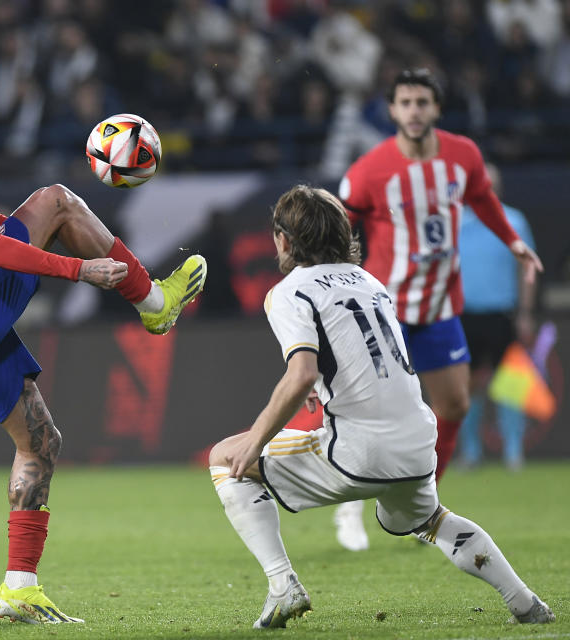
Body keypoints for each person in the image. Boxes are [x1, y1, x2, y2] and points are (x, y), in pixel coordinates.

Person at [0, 47, 207, 625]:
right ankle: (154, 302)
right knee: (57, 200)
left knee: (41, 443)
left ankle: (18, 589)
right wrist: (82, 270)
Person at [208, 185, 554, 629]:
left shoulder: (290, 290)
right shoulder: (370, 281)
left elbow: (299, 373)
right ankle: (526, 603)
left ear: (283, 240)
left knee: (226, 459)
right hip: (416, 442)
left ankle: (283, 585)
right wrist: (315, 379)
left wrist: (255, 441)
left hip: (359, 450)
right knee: (431, 519)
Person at [331, 68, 543, 551]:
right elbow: (340, 227)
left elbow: (483, 198)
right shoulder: (369, 169)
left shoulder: (463, 154)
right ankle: (349, 507)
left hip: (441, 308)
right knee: (370, 410)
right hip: (387, 312)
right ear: (392, 110)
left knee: (453, 405)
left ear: (436, 109)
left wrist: (513, 242)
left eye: (422, 102)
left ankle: (422, 509)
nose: (413, 111)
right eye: (404, 102)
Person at [459, 164, 537, 470]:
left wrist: (526, 313)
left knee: (511, 385)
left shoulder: (514, 220)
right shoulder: (455, 223)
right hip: (463, 316)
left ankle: (513, 451)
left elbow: (526, 269)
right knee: (467, 387)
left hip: (503, 314)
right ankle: (471, 451)